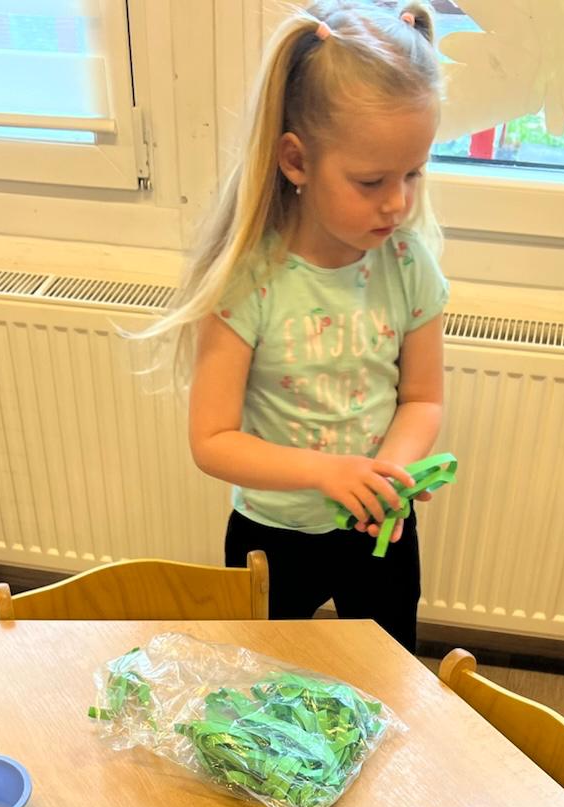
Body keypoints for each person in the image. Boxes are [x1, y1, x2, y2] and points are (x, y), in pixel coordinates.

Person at [151, 1, 447, 653]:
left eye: (413, 173)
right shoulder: (249, 281)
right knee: (261, 678)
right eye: (371, 180)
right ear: (296, 160)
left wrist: (389, 475)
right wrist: (326, 472)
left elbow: (423, 399)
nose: (398, 202)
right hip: (272, 536)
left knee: (389, 675)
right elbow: (213, 441)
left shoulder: (408, 265)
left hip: (379, 531)